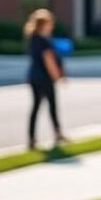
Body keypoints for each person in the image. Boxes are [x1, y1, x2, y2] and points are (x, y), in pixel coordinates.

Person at [25, 9, 67, 150]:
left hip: (33, 77)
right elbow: (49, 60)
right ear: (44, 24)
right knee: (52, 106)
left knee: (36, 107)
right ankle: (58, 133)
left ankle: (31, 138)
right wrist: (58, 77)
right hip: (45, 78)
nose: (52, 25)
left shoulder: (33, 38)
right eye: (50, 22)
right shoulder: (44, 41)